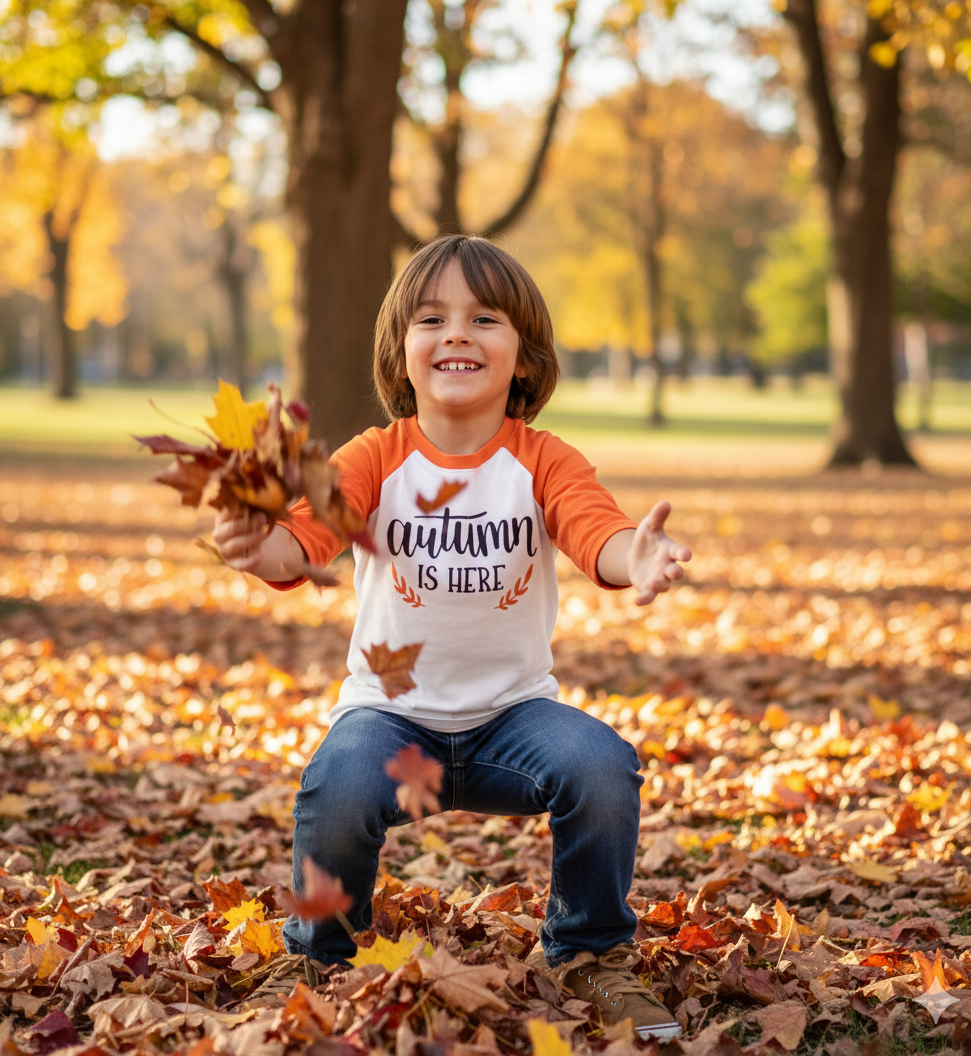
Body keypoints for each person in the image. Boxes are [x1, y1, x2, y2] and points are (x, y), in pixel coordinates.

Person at [212, 234, 691, 1039]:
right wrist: (262, 547)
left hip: (514, 722)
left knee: (604, 767)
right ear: (402, 355)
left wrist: (632, 556)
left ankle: (586, 951)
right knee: (335, 789)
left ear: (525, 359)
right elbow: (304, 538)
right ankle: (322, 960)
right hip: (392, 721)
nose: (458, 334)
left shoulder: (542, 461)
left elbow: (594, 531)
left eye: (485, 319)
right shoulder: (375, 457)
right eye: (433, 318)